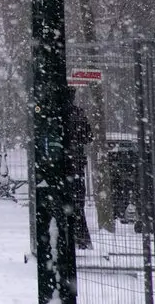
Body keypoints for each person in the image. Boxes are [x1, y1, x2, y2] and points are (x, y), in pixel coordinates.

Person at [65, 91, 94, 249]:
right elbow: (88, 137)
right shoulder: (78, 113)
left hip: (63, 165)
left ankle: (72, 238)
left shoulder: (56, 113)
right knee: (78, 203)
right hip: (76, 164)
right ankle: (81, 239)